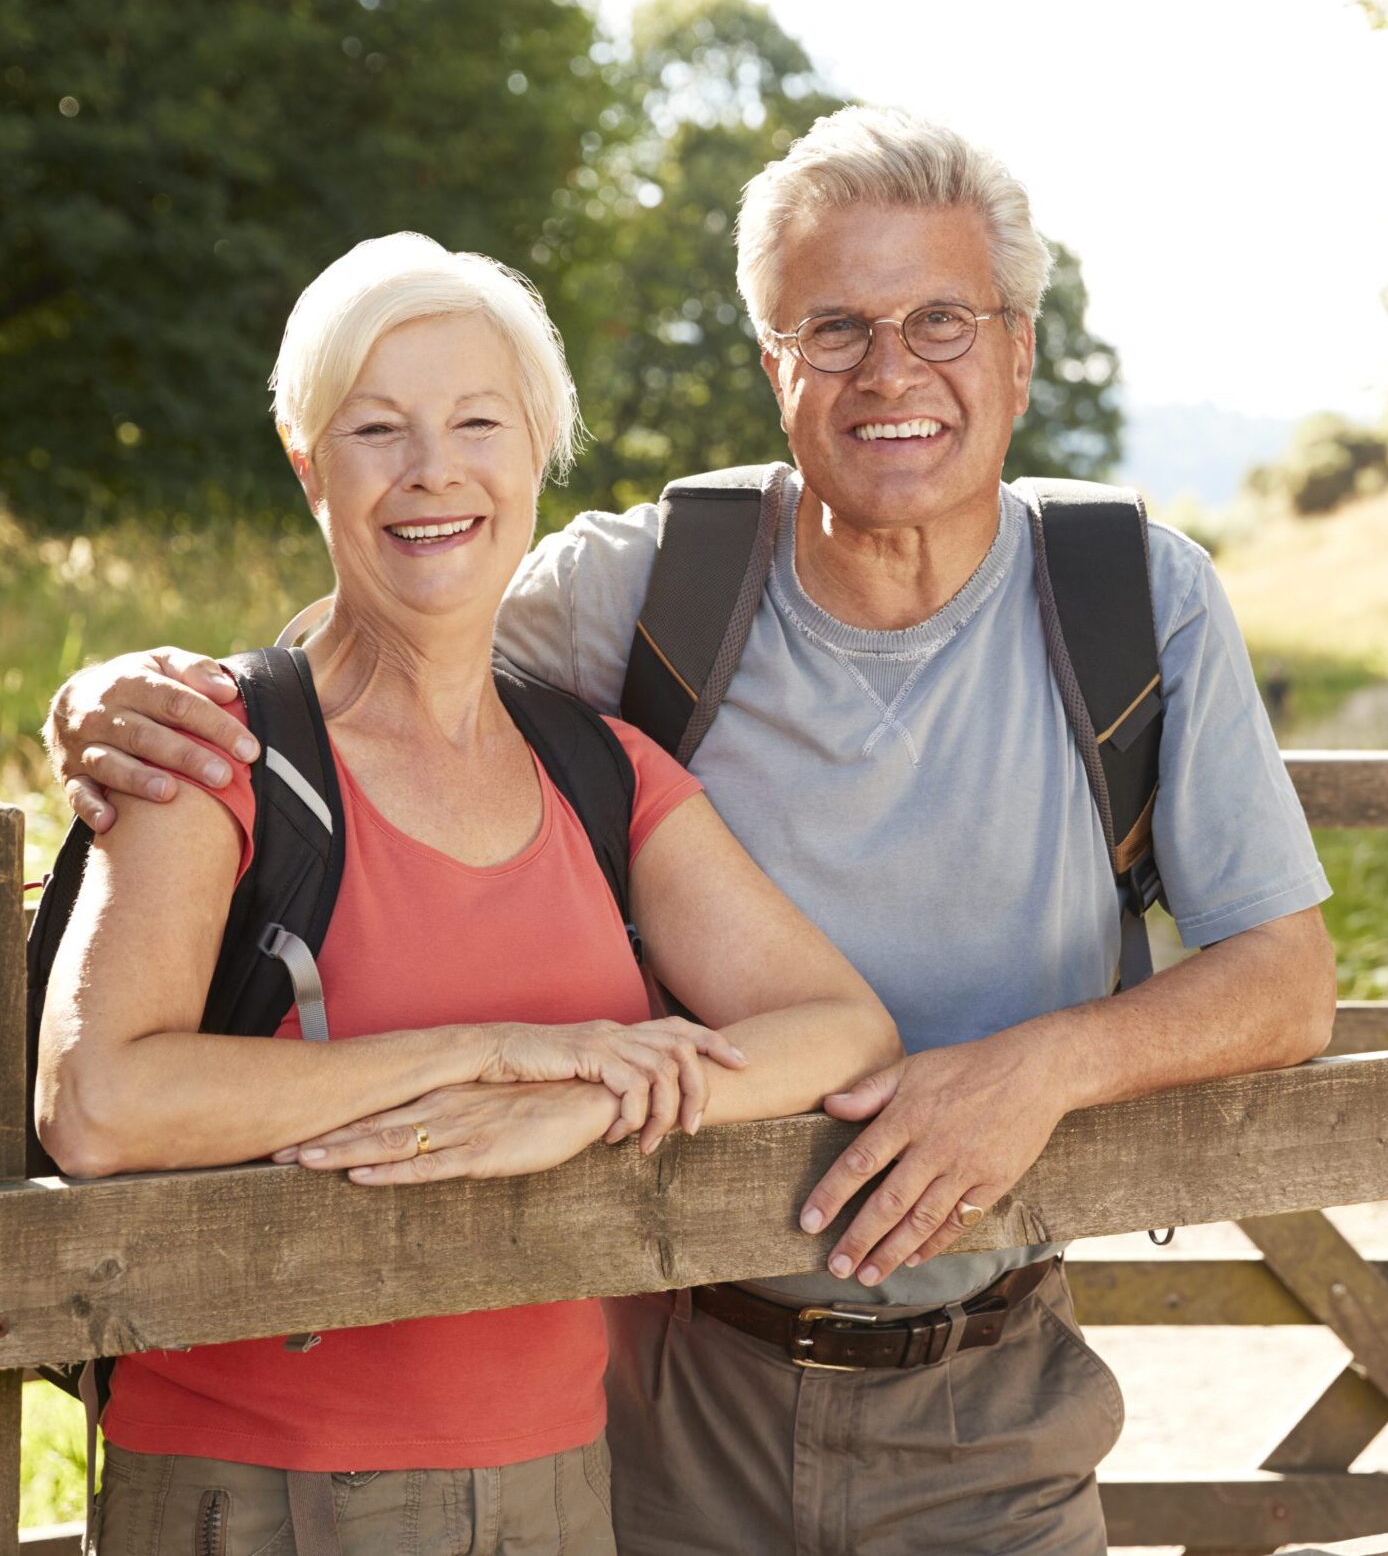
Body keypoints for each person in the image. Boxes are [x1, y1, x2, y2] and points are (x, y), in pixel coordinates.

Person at [51, 106, 1338, 1555]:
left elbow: (1284, 979)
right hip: (657, 1382)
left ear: (1020, 348)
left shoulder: (1130, 599)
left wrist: (1034, 1071)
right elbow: (369, 660)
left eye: (940, 321)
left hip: (986, 1388)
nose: (890, 373)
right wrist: (129, 691)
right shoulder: (644, 590)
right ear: (773, 363)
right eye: (835, 329)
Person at [37, 232, 902, 1556]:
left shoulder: (595, 766)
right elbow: (97, 1105)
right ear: (304, 456)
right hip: (253, 1494)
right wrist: (501, 1056)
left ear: (536, 450)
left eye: (477, 422)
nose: (432, 469)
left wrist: (585, 1098)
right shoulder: (204, 747)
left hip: (558, 1479)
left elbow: (841, 1027)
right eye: (376, 427)